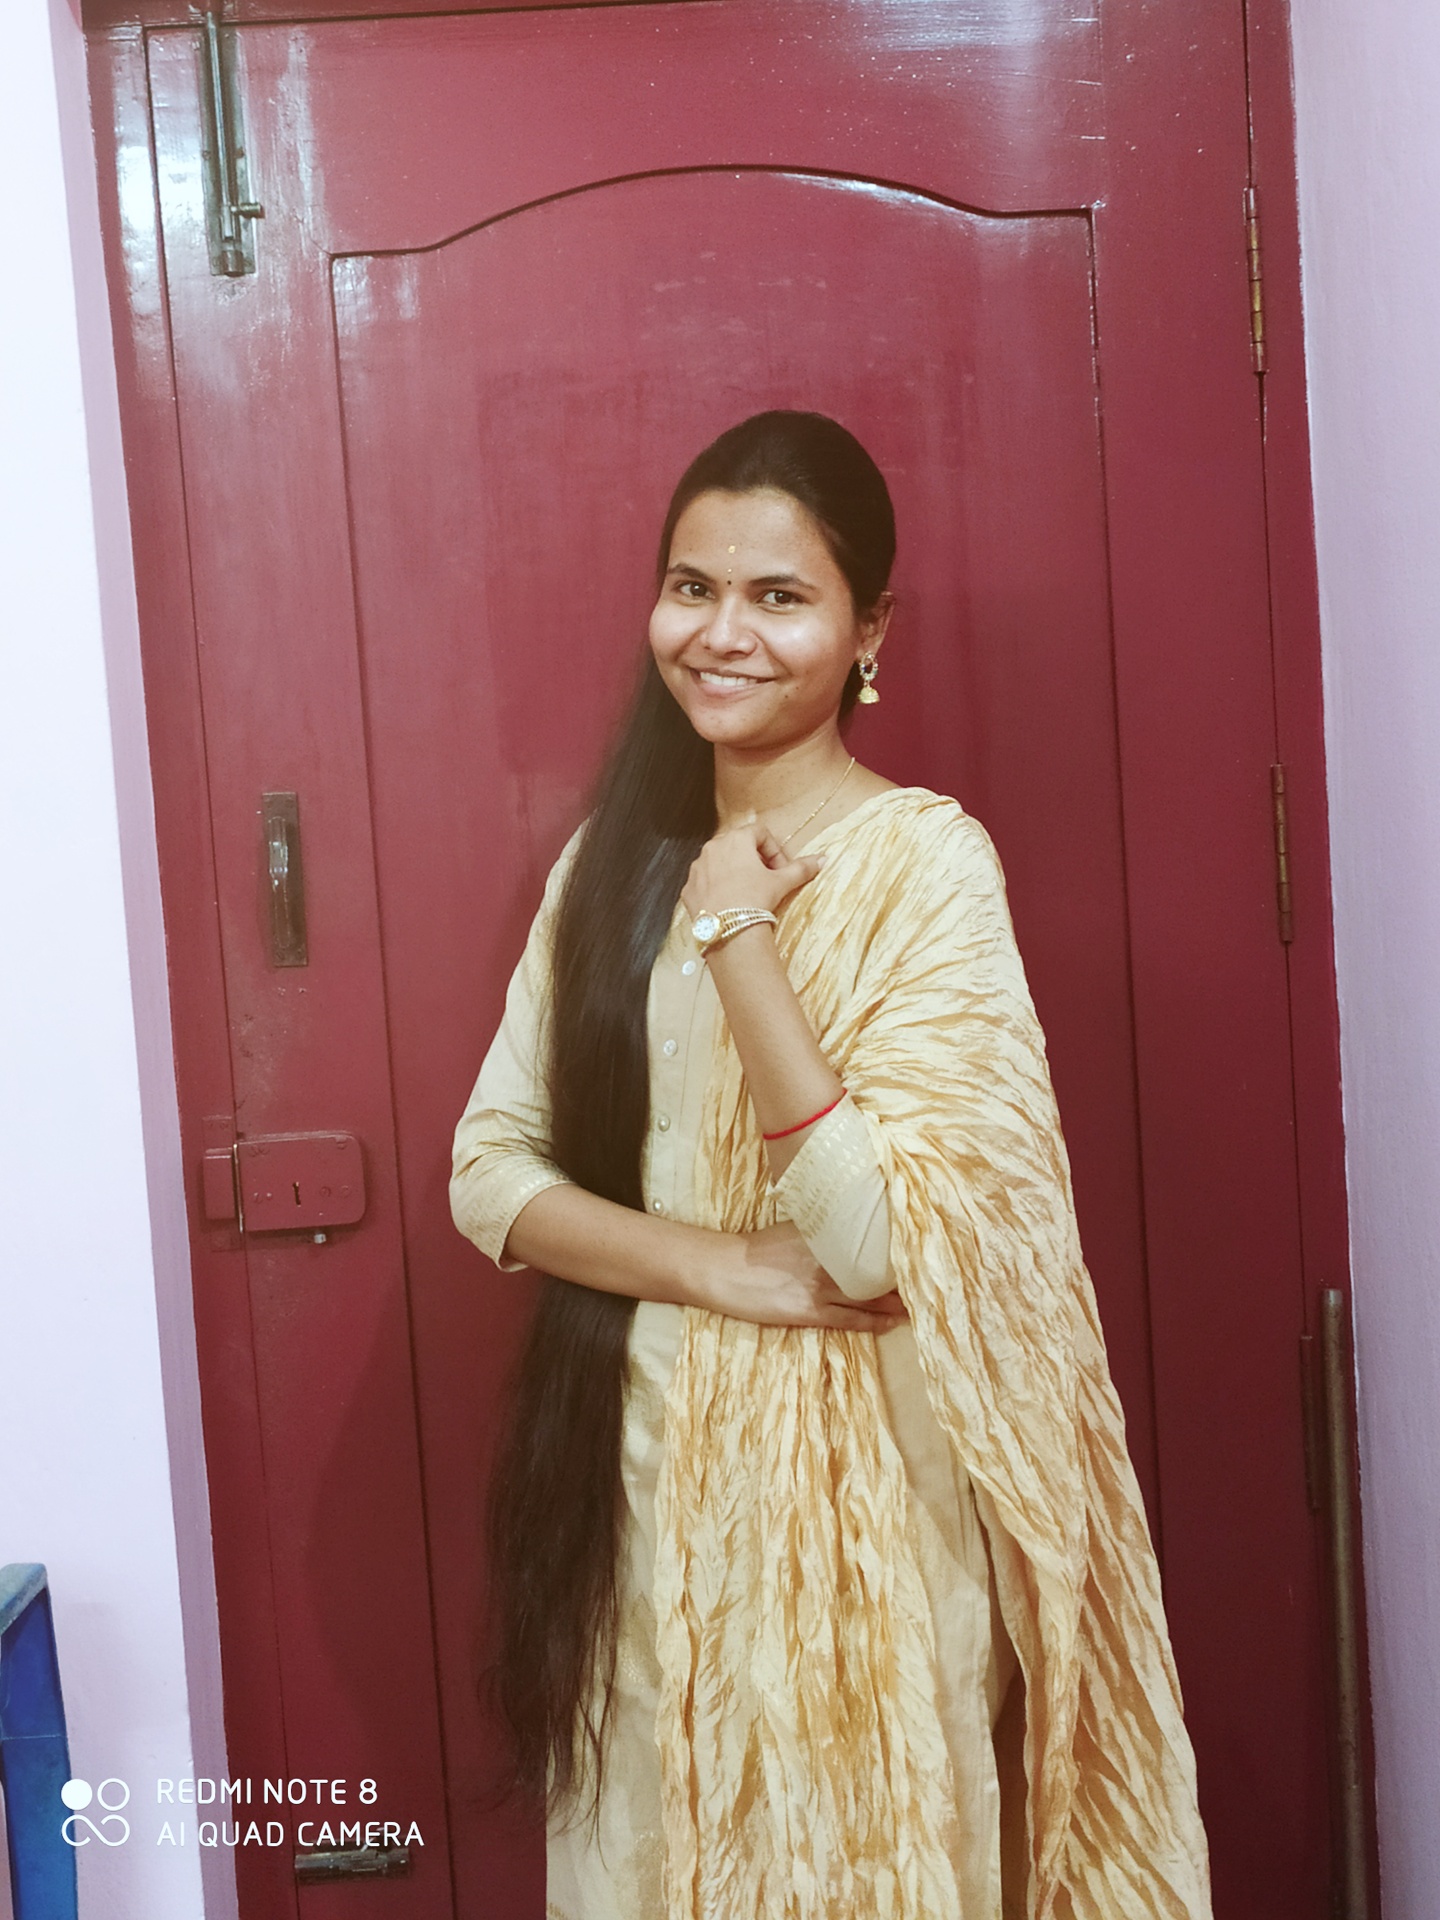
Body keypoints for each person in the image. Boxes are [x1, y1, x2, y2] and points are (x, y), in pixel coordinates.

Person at [450, 411, 1211, 1919]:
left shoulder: (927, 863)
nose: (721, 633)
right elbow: (488, 1172)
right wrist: (718, 1267)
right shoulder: (606, 863)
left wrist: (739, 935)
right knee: (651, 1861)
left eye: (779, 597)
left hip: (865, 1506)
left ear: (869, 632)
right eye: (692, 587)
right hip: (639, 1478)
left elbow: (872, 1246)